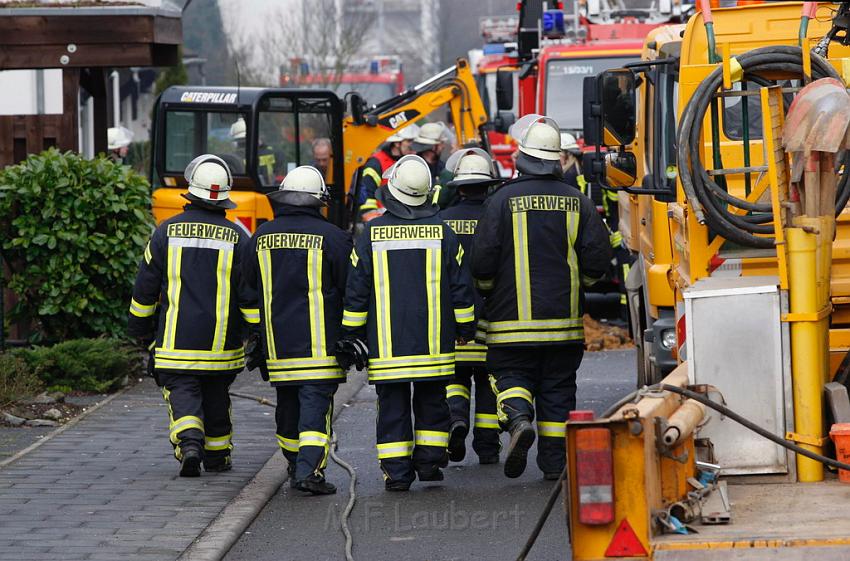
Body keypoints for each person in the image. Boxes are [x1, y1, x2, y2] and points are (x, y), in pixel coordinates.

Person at [471, 115, 612, 480]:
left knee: (510, 373)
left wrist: (488, 291)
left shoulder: (501, 200)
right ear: (555, 159)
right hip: (563, 326)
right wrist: (582, 285)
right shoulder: (578, 201)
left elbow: (482, 260)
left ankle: (518, 418)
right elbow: (598, 258)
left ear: (522, 157)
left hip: (509, 324)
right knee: (557, 389)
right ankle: (553, 465)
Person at [341, 154, 477, 491]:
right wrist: (465, 329)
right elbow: (461, 288)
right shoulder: (444, 233)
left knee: (392, 408)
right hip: (434, 344)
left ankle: (398, 474)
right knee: (433, 402)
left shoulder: (371, 234)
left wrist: (351, 335)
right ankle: (429, 464)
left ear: (393, 190)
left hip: (387, 347)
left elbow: (357, 290)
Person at [127, 155, 253, 477]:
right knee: (216, 397)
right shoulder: (238, 238)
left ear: (190, 192)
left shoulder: (165, 232)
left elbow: (145, 287)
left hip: (175, 342)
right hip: (221, 346)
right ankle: (218, 454)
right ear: (224, 197)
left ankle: (190, 443)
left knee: (182, 392)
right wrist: (256, 333)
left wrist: (141, 330)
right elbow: (249, 294)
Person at [243, 166, 352, 495]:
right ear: (318, 200)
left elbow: (248, 294)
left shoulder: (260, 238)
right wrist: (353, 337)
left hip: (278, 349)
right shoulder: (334, 237)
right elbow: (351, 291)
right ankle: (308, 471)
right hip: (321, 350)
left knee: (288, 407)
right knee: (315, 411)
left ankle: (294, 462)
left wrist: (258, 335)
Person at [439, 148, 502, 465]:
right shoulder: (497, 217)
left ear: (458, 185)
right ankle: (488, 448)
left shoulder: (442, 222)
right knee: (489, 385)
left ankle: (456, 419)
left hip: (453, 325)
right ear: (489, 184)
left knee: (455, 379)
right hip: (492, 322)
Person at [356, 124, 420, 222]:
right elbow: (367, 196)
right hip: (382, 220)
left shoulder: (409, 161)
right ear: (397, 143)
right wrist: (375, 223)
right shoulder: (376, 163)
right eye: (409, 141)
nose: (412, 146)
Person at [410, 122, 447, 205]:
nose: (443, 146)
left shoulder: (442, 167)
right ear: (433, 146)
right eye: (441, 143)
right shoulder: (413, 167)